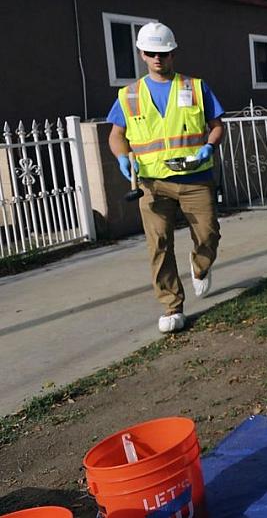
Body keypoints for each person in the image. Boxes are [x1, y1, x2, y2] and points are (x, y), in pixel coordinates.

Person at [107, 22, 224, 334]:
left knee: (209, 234)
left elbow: (217, 125)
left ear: (173, 53)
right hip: (151, 184)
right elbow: (116, 135)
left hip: (195, 178)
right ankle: (172, 306)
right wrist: (121, 156)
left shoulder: (196, 87)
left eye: (163, 52)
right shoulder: (129, 95)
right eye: (151, 53)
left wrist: (209, 147)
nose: (158, 58)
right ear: (142, 55)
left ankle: (200, 266)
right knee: (158, 244)